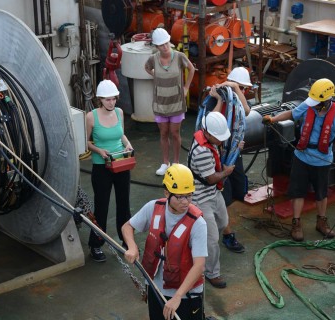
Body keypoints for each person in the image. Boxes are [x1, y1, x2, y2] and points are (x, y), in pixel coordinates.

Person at [262, 78, 335, 242]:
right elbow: (291, 113)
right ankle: (296, 223)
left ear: (327, 100)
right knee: (297, 191)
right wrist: (273, 119)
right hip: (301, 157)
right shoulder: (308, 105)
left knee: (321, 193)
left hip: (322, 161)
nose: (314, 104)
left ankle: (321, 222)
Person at [121, 164, 207, 320]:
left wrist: (177, 297)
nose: (186, 202)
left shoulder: (198, 224)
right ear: (167, 193)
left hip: (186, 295)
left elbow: (199, 265)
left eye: (189, 195)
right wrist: (132, 247)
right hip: (156, 288)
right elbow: (127, 227)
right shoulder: (153, 208)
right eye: (180, 196)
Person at [86, 80, 133, 262]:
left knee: (124, 204)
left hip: (120, 162)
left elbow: (120, 133)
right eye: (107, 100)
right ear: (100, 100)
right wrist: (99, 151)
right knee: (102, 207)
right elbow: (87, 142)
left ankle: (126, 240)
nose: (111, 103)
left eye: (113, 99)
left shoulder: (119, 113)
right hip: (101, 167)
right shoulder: (91, 117)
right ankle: (96, 244)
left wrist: (127, 144)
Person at [188, 111, 236, 289]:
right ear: (207, 133)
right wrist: (226, 172)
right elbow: (211, 178)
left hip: (214, 193)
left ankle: (197, 243)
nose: (221, 140)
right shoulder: (201, 151)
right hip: (201, 198)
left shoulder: (211, 141)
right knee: (212, 238)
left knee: (223, 222)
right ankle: (212, 273)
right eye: (218, 137)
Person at [208, 67, 252, 253]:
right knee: (222, 194)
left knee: (240, 188)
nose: (243, 92)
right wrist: (219, 98)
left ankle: (221, 218)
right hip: (218, 154)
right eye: (241, 88)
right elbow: (211, 120)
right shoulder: (214, 98)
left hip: (234, 152)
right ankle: (227, 234)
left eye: (244, 89)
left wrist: (236, 89)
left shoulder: (238, 100)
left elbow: (247, 111)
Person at [145, 27, 195, 176]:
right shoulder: (153, 59)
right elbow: (147, 68)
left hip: (176, 103)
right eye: (161, 45)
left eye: (166, 43)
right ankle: (165, 163)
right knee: (163, 132)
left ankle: (176, 162)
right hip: (160, 103)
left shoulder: (179, 56)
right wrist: (156, 76)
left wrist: (186, 87)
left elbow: (191, 69)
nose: (165, 47)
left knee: (174, 132)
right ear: (157, 46)